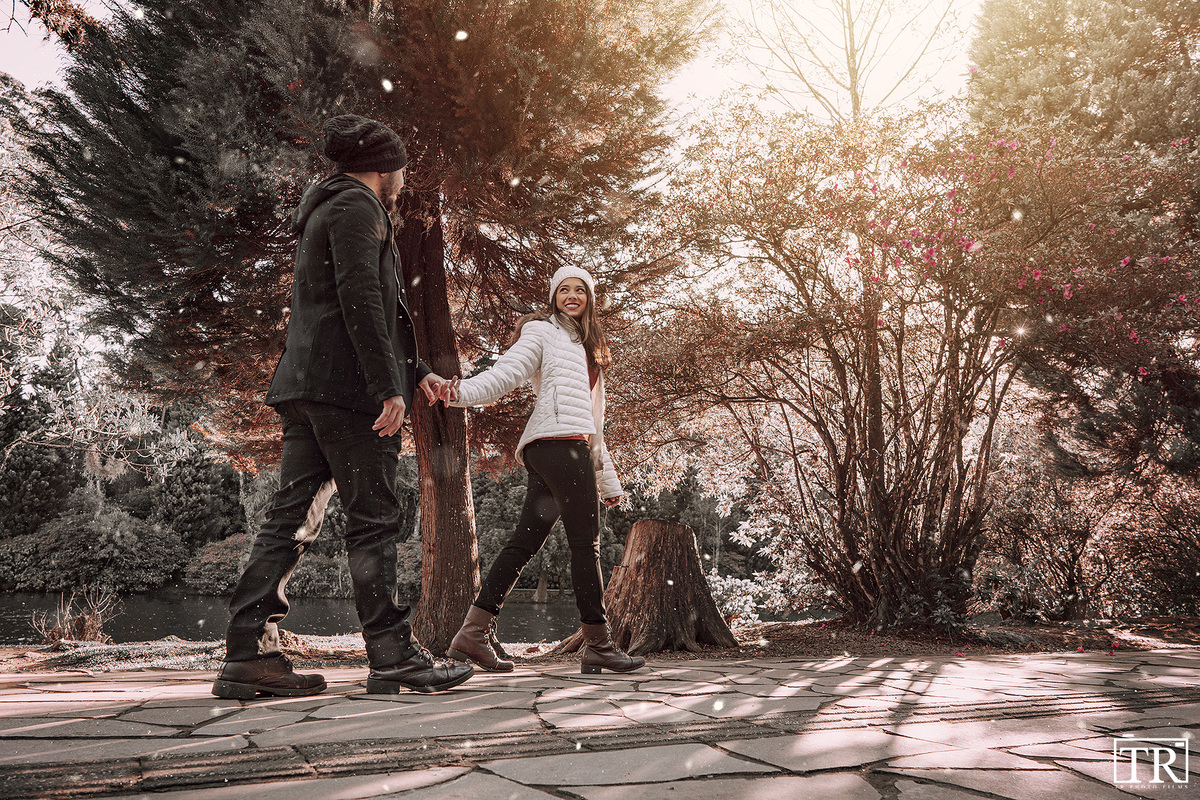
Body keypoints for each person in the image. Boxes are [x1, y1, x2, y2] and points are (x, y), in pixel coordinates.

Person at [212, 115, 474, 699]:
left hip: (308, 387)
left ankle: (247, 653)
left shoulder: (325, 208)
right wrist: (389, 389)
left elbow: (345, 307)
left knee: (292, 517)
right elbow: (360, 300)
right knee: (374, 519)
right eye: (401, 167)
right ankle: (393, 656)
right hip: (351, 392)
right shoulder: (360, 207)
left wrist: (417, 372)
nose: (405, 177)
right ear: (384, 167)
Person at [437, 266, 646, 675]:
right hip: (559, 448)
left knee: (524, 542)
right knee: (586, 546)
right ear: (553, 297)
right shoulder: (542, 332)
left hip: (563, 448)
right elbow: (506, 373)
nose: (572, 296)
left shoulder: (588, 347)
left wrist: (606, 478)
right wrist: (458, 392)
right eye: (563, 290)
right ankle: (599, 644)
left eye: (579, 290)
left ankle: (473, 632)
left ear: (589, 299)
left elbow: (593, 422)